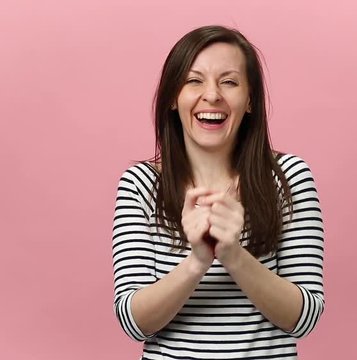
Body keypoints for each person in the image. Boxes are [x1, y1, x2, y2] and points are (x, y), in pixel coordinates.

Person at [112, 25, 325, 359]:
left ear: (250, 100)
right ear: (172, 97)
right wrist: (197, 261)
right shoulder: (140, 184)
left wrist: (233, 256)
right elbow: (133, 321)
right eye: (194, 81)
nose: (211, 95)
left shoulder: (288, 178)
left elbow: (305, 317)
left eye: (229, 81)